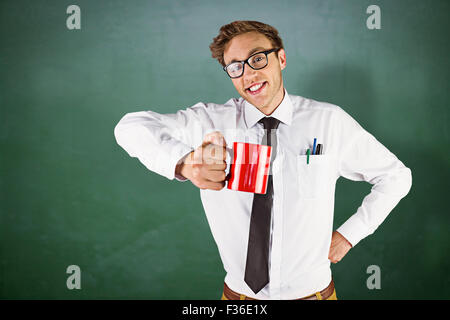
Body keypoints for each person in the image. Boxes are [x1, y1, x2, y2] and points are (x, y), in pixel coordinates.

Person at [114, 20, 412, 300]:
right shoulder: (210, 123)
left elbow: (396, 177)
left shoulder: (329, 122)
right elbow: (130, 126)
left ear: (281, 58)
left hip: (314, 294)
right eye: (235, 67)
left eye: (258, 59)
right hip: (239, 297)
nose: (249, 74)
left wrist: (349, 235)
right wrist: (184, 162)